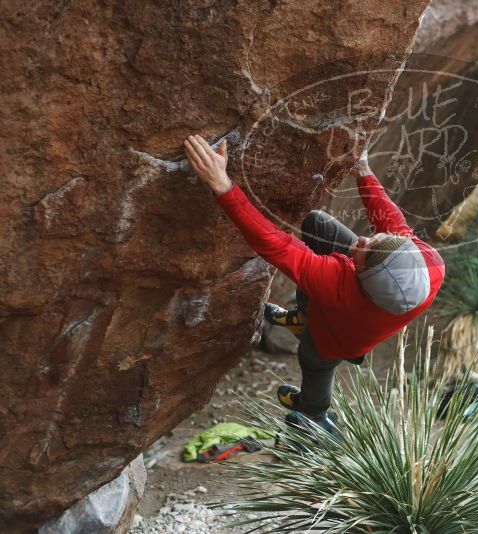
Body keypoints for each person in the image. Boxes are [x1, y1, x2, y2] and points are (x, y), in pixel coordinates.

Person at [183, 135, 445, 429]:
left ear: (360, 277)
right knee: (318, 225)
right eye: (376, 239)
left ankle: (313, 414)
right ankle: (300, 317)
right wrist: (363, 170)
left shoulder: (337, 283)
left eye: (363, 250)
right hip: (365, 308)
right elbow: (391, 222)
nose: (362, 239)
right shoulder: (430, 264)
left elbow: (275, 244)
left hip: (338, 338)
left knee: (315, 361)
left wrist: (223, 186)